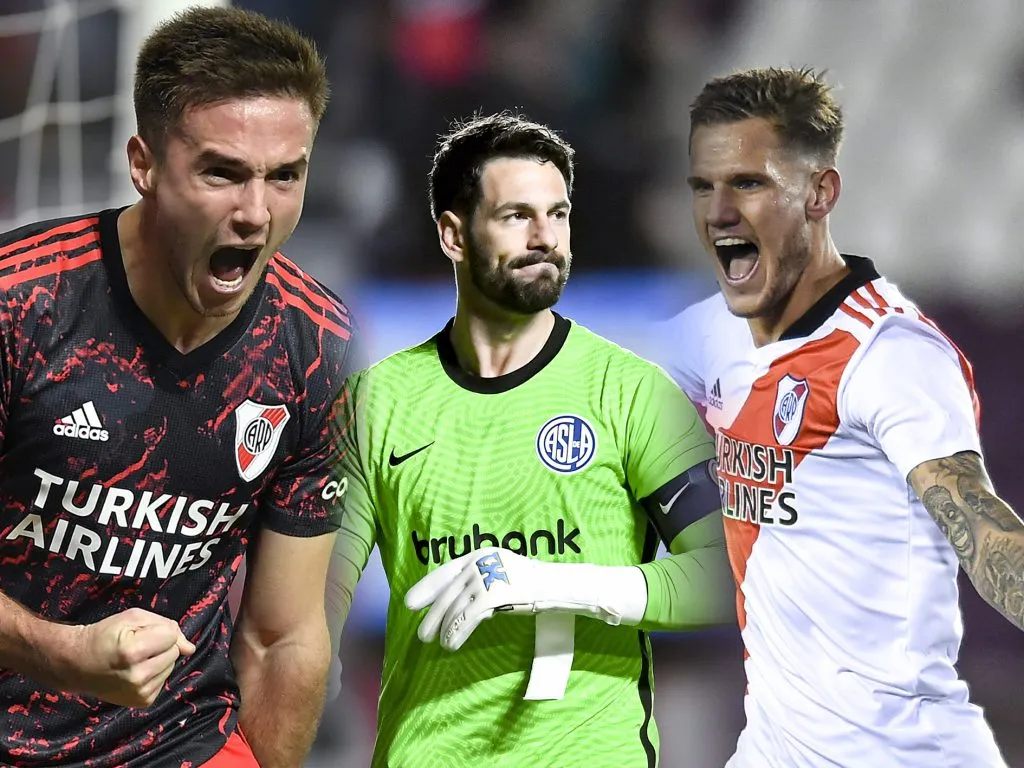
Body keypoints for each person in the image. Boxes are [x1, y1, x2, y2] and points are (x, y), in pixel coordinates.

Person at [0, 7, 356, 767]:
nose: (255, 213)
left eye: (284, 176)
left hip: (174, 738)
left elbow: (282, 634)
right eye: (222, 172)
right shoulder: (18, 305)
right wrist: (67, 654)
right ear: (144, 165)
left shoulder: (313, 347)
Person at [326, 112, 734, 767]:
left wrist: (555, 584)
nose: (544, 237)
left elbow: (718, 574)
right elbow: (311, 607)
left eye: (558, 214)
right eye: (516, 215)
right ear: (453, 234)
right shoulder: (381, 396)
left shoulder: (634, 390)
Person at [651, 66, 1023, 767]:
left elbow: (983, 532)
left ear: (820, 193)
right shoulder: (704, 341)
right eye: (705, 186)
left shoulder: (890, 357)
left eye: (751, 184)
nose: (720, 212)